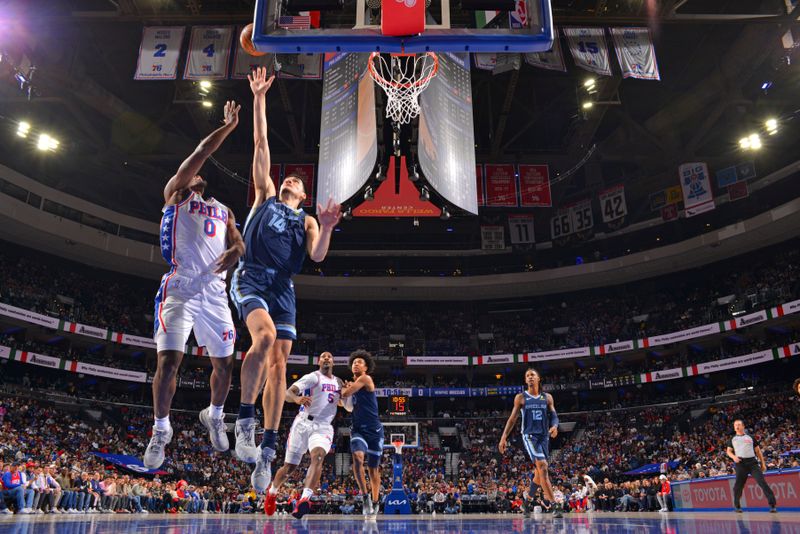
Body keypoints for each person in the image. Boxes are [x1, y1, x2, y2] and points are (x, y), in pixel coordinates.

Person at [230, 67, 341, 491]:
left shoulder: (308, 219)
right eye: (288, 177)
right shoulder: (266, 196)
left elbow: (316, 255)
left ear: (304, 194)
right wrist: (259, 97)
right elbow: (261, 144)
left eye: (297, 180)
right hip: (253, 277)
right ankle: (243, 418)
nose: (291, 178)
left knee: (279, 367)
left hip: (284, 288)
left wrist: (328, 225)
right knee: (262, 339)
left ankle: (268, 448)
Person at [144, 100, 246, 469]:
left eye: (198, 176)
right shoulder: (175, 194)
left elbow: (238, 242)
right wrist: (229, 126)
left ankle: (215, 415)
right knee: (169, 361)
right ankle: (160, 430)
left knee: (226, 365)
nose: (195, 176)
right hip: (181, 287)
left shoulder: (224, 210)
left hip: (215, 291)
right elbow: (203, 150)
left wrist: (235, 251)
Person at [263, 352, 345, 519]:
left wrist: (347, 398)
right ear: (319, 362)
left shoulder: (338, 382)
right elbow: (288, 393)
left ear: (333, 362)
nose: (327, 358)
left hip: (323, 426)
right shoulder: (312, 377)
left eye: (330, 356)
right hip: (303, 424)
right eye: (323, 356)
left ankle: (304, 499)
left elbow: (344, 402)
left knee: (319, 457)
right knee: (289, 467)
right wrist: (296, 398)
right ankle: (272, 492)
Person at [498, 367, 562, 518]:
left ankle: (526, 503)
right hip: (529, 436)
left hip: (544, 436)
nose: (530, 377)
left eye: (533, 375)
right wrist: (503, 437)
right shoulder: (521, 397)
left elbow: (554, 416)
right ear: (525, 380)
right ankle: (554, 505)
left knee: (539, 474)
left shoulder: (547, 397)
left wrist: (554, 426)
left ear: (539, 378)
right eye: (527, 376)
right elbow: (512, 419)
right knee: (543, 467)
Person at [340, 350, 383, 520]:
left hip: (375, 432)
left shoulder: (365, 379)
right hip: (358, 429)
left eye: (359, 362)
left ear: (366, 367)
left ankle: (376, 500)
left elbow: (344, 394)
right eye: (354, 362)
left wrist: (343, 388)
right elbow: (345, 404)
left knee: (373, 470)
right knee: (357, 458)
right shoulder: (354, 386)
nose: (356, 364)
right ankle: (365, 497)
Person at [726, 419, 777, 513]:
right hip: (740, 463)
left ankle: (772, 505)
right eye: (735, 425)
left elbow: (758, 451)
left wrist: (763, 464)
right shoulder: (732, 439)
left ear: (743, 426)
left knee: (762, 482)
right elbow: (728, 451)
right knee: (738, 486)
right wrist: (734, 457)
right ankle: (737, 506)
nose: (737, 426)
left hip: (752, 463)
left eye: (739, 424)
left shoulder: (751, 437)